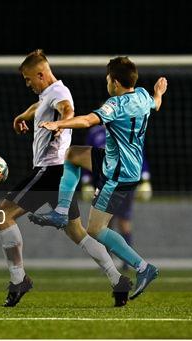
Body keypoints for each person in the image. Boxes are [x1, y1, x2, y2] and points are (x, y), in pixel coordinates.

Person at [0, 50, 131, 308]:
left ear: (41, 74)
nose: (28, 84)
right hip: (59, 174)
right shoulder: (49, 93)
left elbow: (66, 109)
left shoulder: (59, 94)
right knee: (77, 232)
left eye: (28, 79)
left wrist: (61, 124)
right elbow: (41, 105)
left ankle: (18, 279)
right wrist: (23, 116)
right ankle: (117, 279)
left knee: (3, 216)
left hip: (49, 170)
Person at [29, 56, 167, 300]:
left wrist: (59, 124)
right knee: (71, 155)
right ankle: (61, 211)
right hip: (118, 162)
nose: (106, 83)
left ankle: (143, 267)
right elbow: (156, 104)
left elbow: (87, 120)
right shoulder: (144, 96)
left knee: (95, 229)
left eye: (107, 79)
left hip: (117, 173)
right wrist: (159, 93)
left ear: (114, 82)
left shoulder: (115, 105)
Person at [81, 125, 153, 270]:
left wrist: (145, 178)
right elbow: (87, 155)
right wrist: (86, 180)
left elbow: (139, 155)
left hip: (124, 183)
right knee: (103, 225)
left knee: (123, 222)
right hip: (104, 183)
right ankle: (108, 262)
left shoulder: (127, 130)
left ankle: (127, 263)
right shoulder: (95, 133)